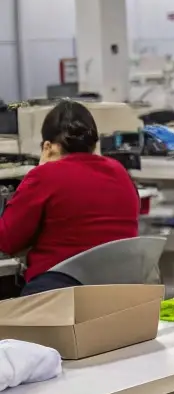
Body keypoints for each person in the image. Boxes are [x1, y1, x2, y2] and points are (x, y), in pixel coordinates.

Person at [0, 101, 140, 296]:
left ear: (47, 147)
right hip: (119, 294)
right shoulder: (120, 172)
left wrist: (38, 172)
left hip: (59, 296)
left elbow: (7, 241)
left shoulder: (44, 176)